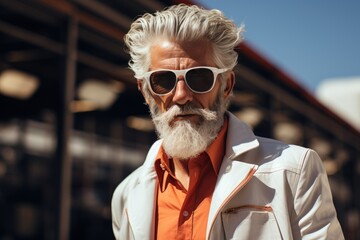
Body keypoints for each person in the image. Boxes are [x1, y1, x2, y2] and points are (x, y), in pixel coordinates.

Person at [111, 4, 344, 240]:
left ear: (226, 85)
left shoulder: (294, 171)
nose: (181, 95)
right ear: (145, 91)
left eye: (199, 78)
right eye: (163, 80)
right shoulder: (126, 196)